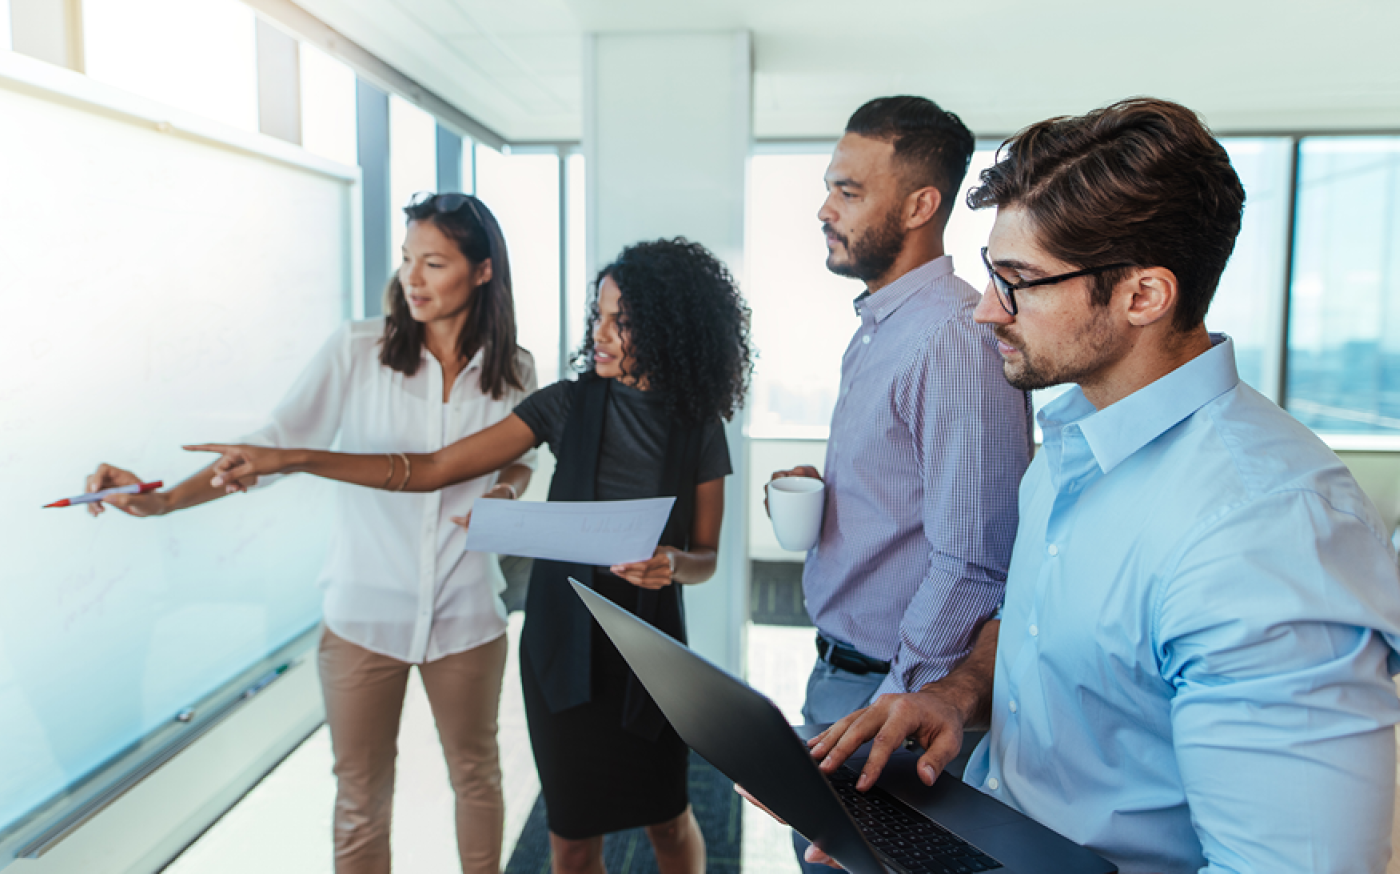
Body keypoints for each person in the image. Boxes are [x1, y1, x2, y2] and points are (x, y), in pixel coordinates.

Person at [803, 97, 1400, 872]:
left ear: (1143, 296)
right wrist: (954, 696)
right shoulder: (1071, 443)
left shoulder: (1267, 532)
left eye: (1017, 280)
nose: (985, 311)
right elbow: (1036, 627)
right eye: (991, 273)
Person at [189, 237, 754, 874]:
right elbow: (429, 469)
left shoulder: (698, 424)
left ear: (668, 327)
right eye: (597, 315)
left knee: (668, 820)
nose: (599, 332)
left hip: (651, 653)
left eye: (619, 321)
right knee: (569, 838)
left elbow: (705, 555)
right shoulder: (565, 404)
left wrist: (673, 565)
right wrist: (296, 457)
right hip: (562, 647)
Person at [83, 191, 537, 874]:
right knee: (361, 798)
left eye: (434, 263)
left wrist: (502, 492)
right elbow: (275, 447)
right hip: (362, 615)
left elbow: (520, 461)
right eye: (408, 259)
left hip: (467, 611)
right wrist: (165, 501)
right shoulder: (359, 350)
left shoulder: (516, 369)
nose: (412, 278)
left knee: (477, 777)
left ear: (481, 272)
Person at [768, 98, 1030, 728]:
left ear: (920, 207)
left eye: (849, 192)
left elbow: (975, 563)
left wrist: (896, 702)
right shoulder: (879, 326)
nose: (825, 210)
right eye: (830, 187)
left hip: (886, 688)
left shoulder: (953, 339)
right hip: (844, 670)